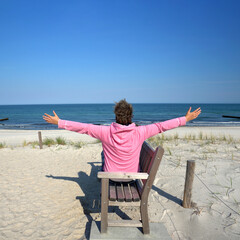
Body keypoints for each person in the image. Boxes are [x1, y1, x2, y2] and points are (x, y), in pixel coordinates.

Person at [43, 99, 201, 173]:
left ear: (116, 116)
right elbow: (161, 127)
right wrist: (184, 119)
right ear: (131, 116)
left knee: (105, 154)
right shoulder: (141, 132)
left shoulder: (105, 132)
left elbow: (83, 128)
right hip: (133, 177)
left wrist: (60, 122)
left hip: (110, 176)